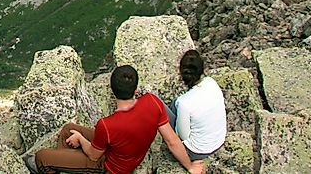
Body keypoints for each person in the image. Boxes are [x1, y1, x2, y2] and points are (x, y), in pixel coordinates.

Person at [29, 65, 205, 174]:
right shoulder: (153, 101)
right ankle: (67, 164)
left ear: (111, 90)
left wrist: (81, 140)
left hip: (108, 166)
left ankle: (64, 165)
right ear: (136, 89)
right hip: (128, 153)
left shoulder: (107, 125)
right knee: (68, 129)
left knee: (41, 157)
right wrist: (190, 166)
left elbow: (92, 155)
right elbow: (172, 140)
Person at [166, 50, 227, 161]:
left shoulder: (184, 103)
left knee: (156, 103)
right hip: (218, 141)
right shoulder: (211, 82)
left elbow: (183, 136)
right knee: (176, 103)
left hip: (197, 151)